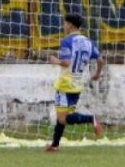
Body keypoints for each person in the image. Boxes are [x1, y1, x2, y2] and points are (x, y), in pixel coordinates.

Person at [45, 14, 104, 152]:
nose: (64, 26)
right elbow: (100, 59)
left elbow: (66, 62)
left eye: (65, 24)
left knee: (62, 118)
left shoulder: (67, 41)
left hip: (66, 83)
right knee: (65, 115)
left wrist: (56, 61)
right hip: (78, 84)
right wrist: (97, 74)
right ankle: (55, 145)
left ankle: (91, 118)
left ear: (70, 25)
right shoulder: (88, 41)